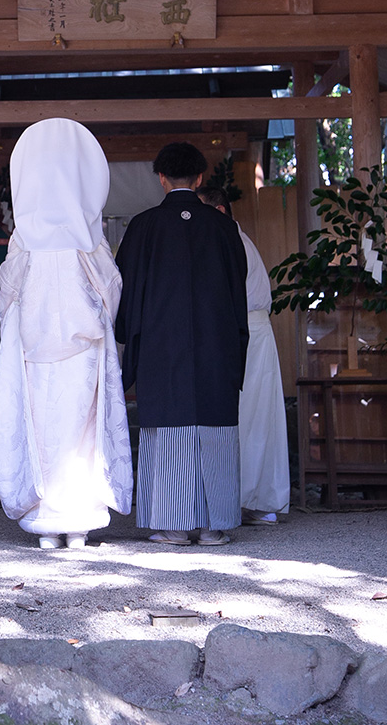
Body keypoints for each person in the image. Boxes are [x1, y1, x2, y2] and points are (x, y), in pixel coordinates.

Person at [0, 118, 133, 549]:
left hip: (32, 348)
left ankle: (46, 521)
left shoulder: (25, 238)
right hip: (84, 350)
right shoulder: (88, 238)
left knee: (40, 429)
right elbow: (111, 290)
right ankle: (79, 521)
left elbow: (8, 295)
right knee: (81, 432)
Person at [115, 142, 248, 545]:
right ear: (200, 177)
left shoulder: (143, 226)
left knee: (167, 427)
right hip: (215, 344)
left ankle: (172, 525)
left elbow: (125, 289)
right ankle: (213, 526)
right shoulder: (223, 227)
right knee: (214, 427)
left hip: (160, 345)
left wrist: (129, 334)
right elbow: (237, 288)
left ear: (161, 178)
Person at [197, 184, 290, 525]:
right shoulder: (231, 239)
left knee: (250, 416)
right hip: (246, 329)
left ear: (219, 211)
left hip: (247, 331)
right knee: (249, 416)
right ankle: (248, 499)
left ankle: (249, 499)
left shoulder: (230, 240)